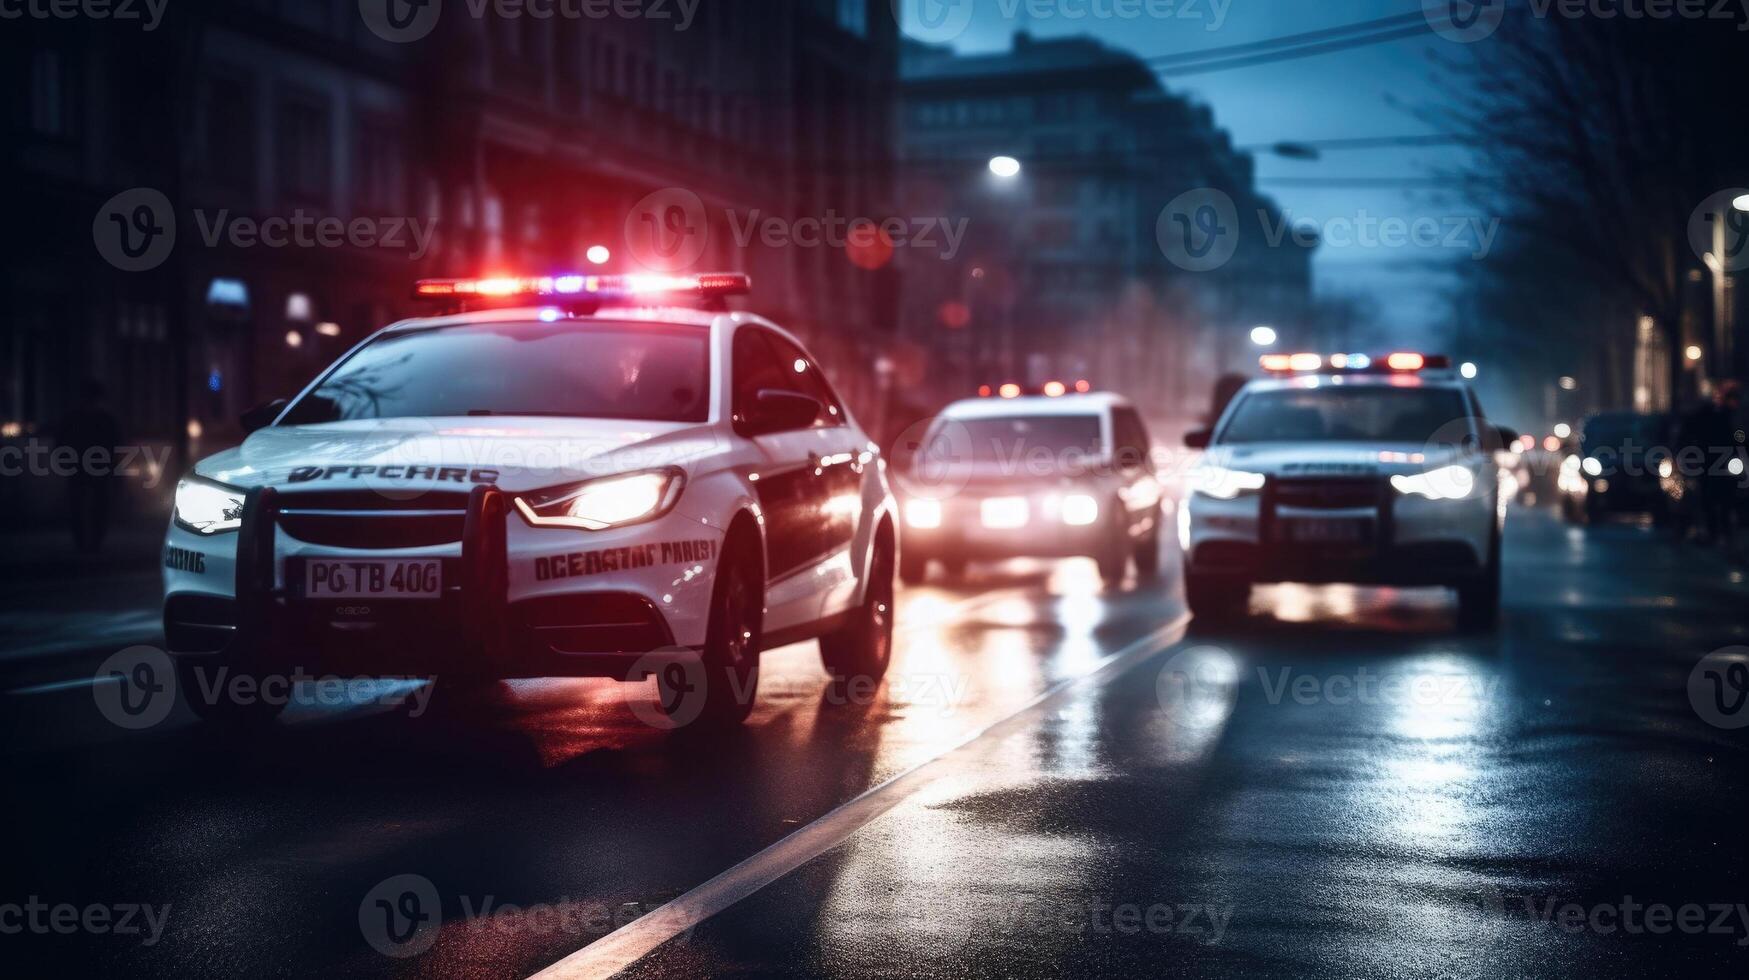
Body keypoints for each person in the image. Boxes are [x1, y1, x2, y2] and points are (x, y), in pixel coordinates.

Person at [1679, 380, 1743, 553]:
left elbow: (1737, 436)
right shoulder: (1706, 415)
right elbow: (1693, 435)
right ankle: (1713, 532)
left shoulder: (1731, 416)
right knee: (1710, 498)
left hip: (1725, 462)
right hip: (1708, 462)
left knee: (1727, 499)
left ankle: (1725, 532)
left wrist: (1740, 445)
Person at [58, 379, 121, 553]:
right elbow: (116, 444)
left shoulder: (75, 418)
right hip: (94, 467)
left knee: (83, 505)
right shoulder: (105, 419)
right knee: (91, 506)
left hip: (84, 466)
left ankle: (87, 543)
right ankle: (91, 543)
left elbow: (61, 441)